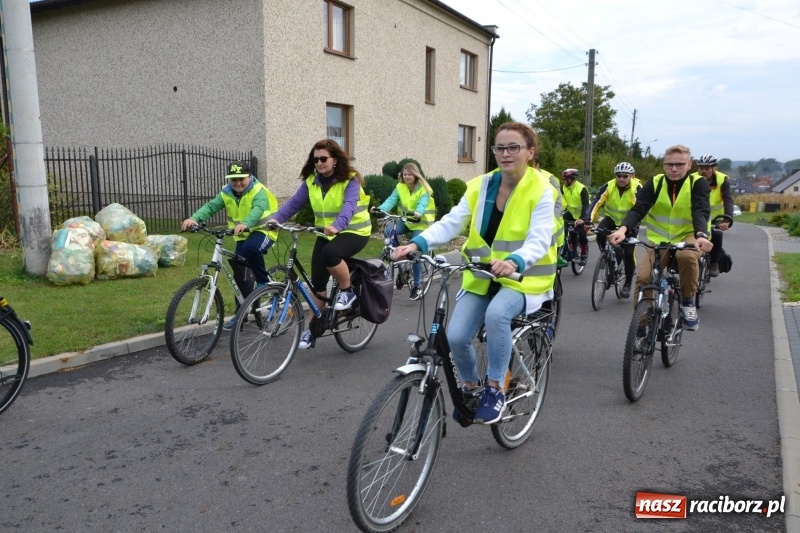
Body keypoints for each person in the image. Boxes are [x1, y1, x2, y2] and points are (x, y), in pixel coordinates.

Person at [393, 122, 556, 424]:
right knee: (455, 336)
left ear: (530, 152)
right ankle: (471, 388)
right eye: (499, 148)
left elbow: (540, 237)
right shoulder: (481, 185)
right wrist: (417, 243)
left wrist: (516, 261)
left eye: (514, 147)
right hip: (481, 273)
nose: (505, 153)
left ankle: (496, 388)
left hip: (525, 277)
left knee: (497, 315)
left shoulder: (542, 190)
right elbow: (452, 222)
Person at [269, 139, 371, 349]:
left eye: (323, 158)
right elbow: (294, 204)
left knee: (331, 254)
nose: (319, 163)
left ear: (334, 160)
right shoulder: (311, 181)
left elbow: (349, 206)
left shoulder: (350, 180)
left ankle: (347, 290)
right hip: (326, 232)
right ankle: (313, 329)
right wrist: (276, 219)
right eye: (315, 160)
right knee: (317, 285)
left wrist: (338, 225)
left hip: (355, 231)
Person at [608, 145, 712, 331]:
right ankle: (640, 328)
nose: (674, 169)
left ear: (689, 165)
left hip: (690, 235)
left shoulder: (698, 183)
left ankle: (688, 301)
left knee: (686, 257)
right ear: (663, 165)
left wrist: (701, 235)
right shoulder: (655, 183)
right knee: (644, 277)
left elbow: (700, 210)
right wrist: (622, 230)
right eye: (669, 164)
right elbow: (639, 208)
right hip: (660, 239)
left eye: (679, 164)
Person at [181, 160, 278, 331]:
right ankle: (242, 313)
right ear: (229, 180)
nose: (238, 183)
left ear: (249, 177)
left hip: (264, 230)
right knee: (239, 274)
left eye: (242, 179)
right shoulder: (226, 193)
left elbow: (257, 209)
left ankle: (263, 281)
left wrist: (246, 223)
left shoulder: (259, 191)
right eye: (234, 179)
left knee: (250, 249)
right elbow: (211, 207)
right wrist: (194, 218)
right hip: (241, 236)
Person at [371, 163, 436, 300]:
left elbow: (422, 203)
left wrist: (418, 212)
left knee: (415, 253)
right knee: (389, 230)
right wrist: (380, 209)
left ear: (416, 175)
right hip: (406, 221)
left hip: (420, 223)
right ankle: (399, 256)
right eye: (405, 174)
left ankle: (417, 286)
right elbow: (391, 200)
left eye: (409, 174)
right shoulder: (400, 187)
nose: (407, 177)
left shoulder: (423, 189)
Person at [588, 162, 642, 298]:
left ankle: (628, 283)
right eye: (619, 176)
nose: (622, 179)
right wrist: (588, 219)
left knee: (629, 253)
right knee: (600, 232)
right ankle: (607, 257)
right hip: (612, 218)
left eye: (625, 176)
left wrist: (629, 226)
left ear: (631, 176)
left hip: (629, 223)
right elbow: (596, 202)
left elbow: (639, 208)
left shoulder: (637, 187)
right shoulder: (609, 185)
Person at [693, 154, 733, 277]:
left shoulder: (722, 179)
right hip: (697, 215)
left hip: (715, 217)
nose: (704, 171)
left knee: (716, 234)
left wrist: (727, 219)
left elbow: (728, 199)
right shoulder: (692, 178)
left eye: (707, 168)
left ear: (714, 168)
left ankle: (713, 263)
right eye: (701, 168)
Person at [561, 168, 590, 264]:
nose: (563, 181)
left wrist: (582, 218)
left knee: (581, 233)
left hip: (583, 213)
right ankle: (567, 251)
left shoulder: (582, 188)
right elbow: (560, 202)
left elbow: (586, 205)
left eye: (565, 179)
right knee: (562, 230)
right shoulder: (564, 188)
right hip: (571, 212)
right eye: (563, 179)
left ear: (571, 179)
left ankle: (583, 254)